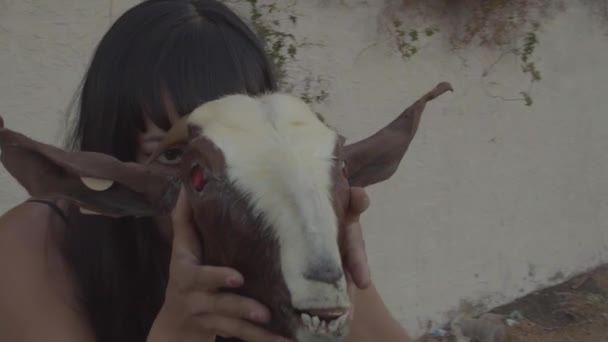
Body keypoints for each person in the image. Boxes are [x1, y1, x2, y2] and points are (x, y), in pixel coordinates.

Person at [0, 1, 412, 341]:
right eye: (176, 155)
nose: (228, 190)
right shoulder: (31, 248)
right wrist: (179, 332)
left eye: (248, 150)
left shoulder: (284, 226)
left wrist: (327, 264)